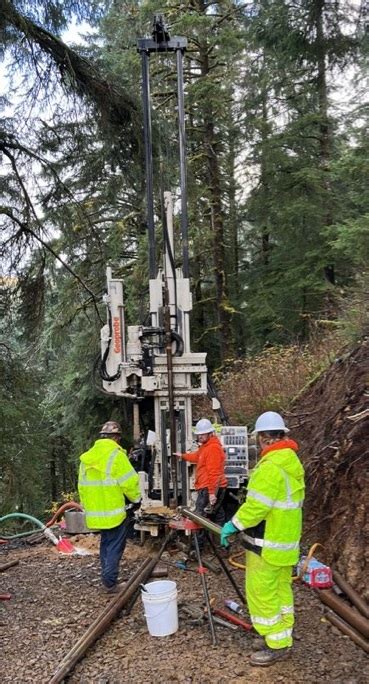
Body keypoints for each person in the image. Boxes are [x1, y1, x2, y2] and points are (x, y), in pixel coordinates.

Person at [221, 411, 305, 667]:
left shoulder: (270, 468)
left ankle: (276, 644)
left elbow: (256, 508)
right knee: (281, 591)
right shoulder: (291, 462)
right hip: (285, 542)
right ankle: (281, 634)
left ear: (263, 439)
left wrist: (232, 525)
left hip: (265, 543)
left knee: (261, 593)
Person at [78, 420, 141, 593]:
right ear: (116, 438)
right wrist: (136, 500)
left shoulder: (87, 458)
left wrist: (87, 507)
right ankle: (110, 583)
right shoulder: (116, 455)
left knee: (106, 544)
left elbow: (81, 487)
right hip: (113, 513)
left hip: (96, 513)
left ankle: (107, 577)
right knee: (114, 546)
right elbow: (130, 482)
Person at [175, 418, 228, 526]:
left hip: (209, 487)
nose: (200, 436)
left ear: (210, 433)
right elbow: (197, 457)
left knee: (199, 517)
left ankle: (199, 542)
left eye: (203, 434)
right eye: (199, 434)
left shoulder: (213, 448)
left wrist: (212, 493)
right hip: (211, 487)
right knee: (217, 514)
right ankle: (221, 540)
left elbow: (214, 473)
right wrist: (183, 456)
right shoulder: (205, 447)